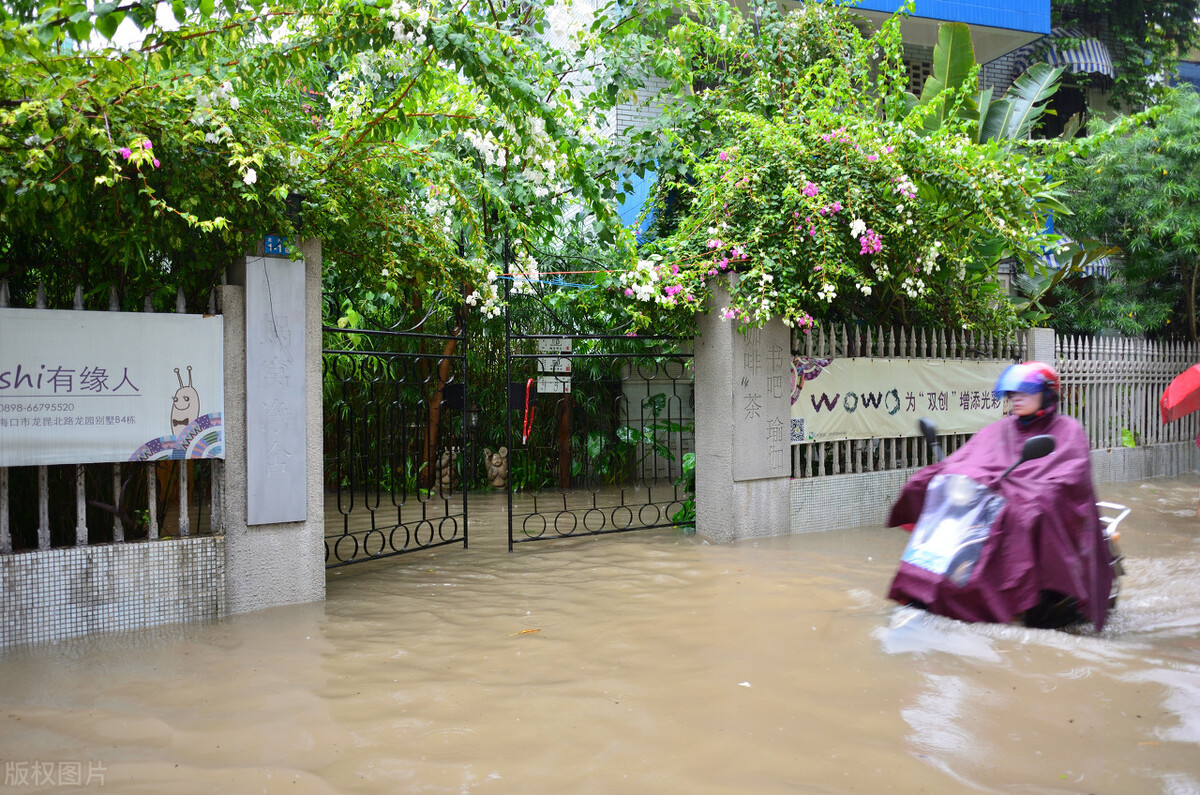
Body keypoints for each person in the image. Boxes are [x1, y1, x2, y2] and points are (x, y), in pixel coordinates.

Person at [887, 361, 1114, 630]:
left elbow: (1067, 479)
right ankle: (930, 588)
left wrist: (1023, 492)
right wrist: (944, 474)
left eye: (1025, 393)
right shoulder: (1001, 429)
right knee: (929, 487)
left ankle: (1026, 601)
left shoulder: (1068, 430)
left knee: (1026, 513)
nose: (1016, 400)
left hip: (1045, 510)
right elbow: (972, 461)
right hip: (996, 504)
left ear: (1048, 394)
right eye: (1012, 394)